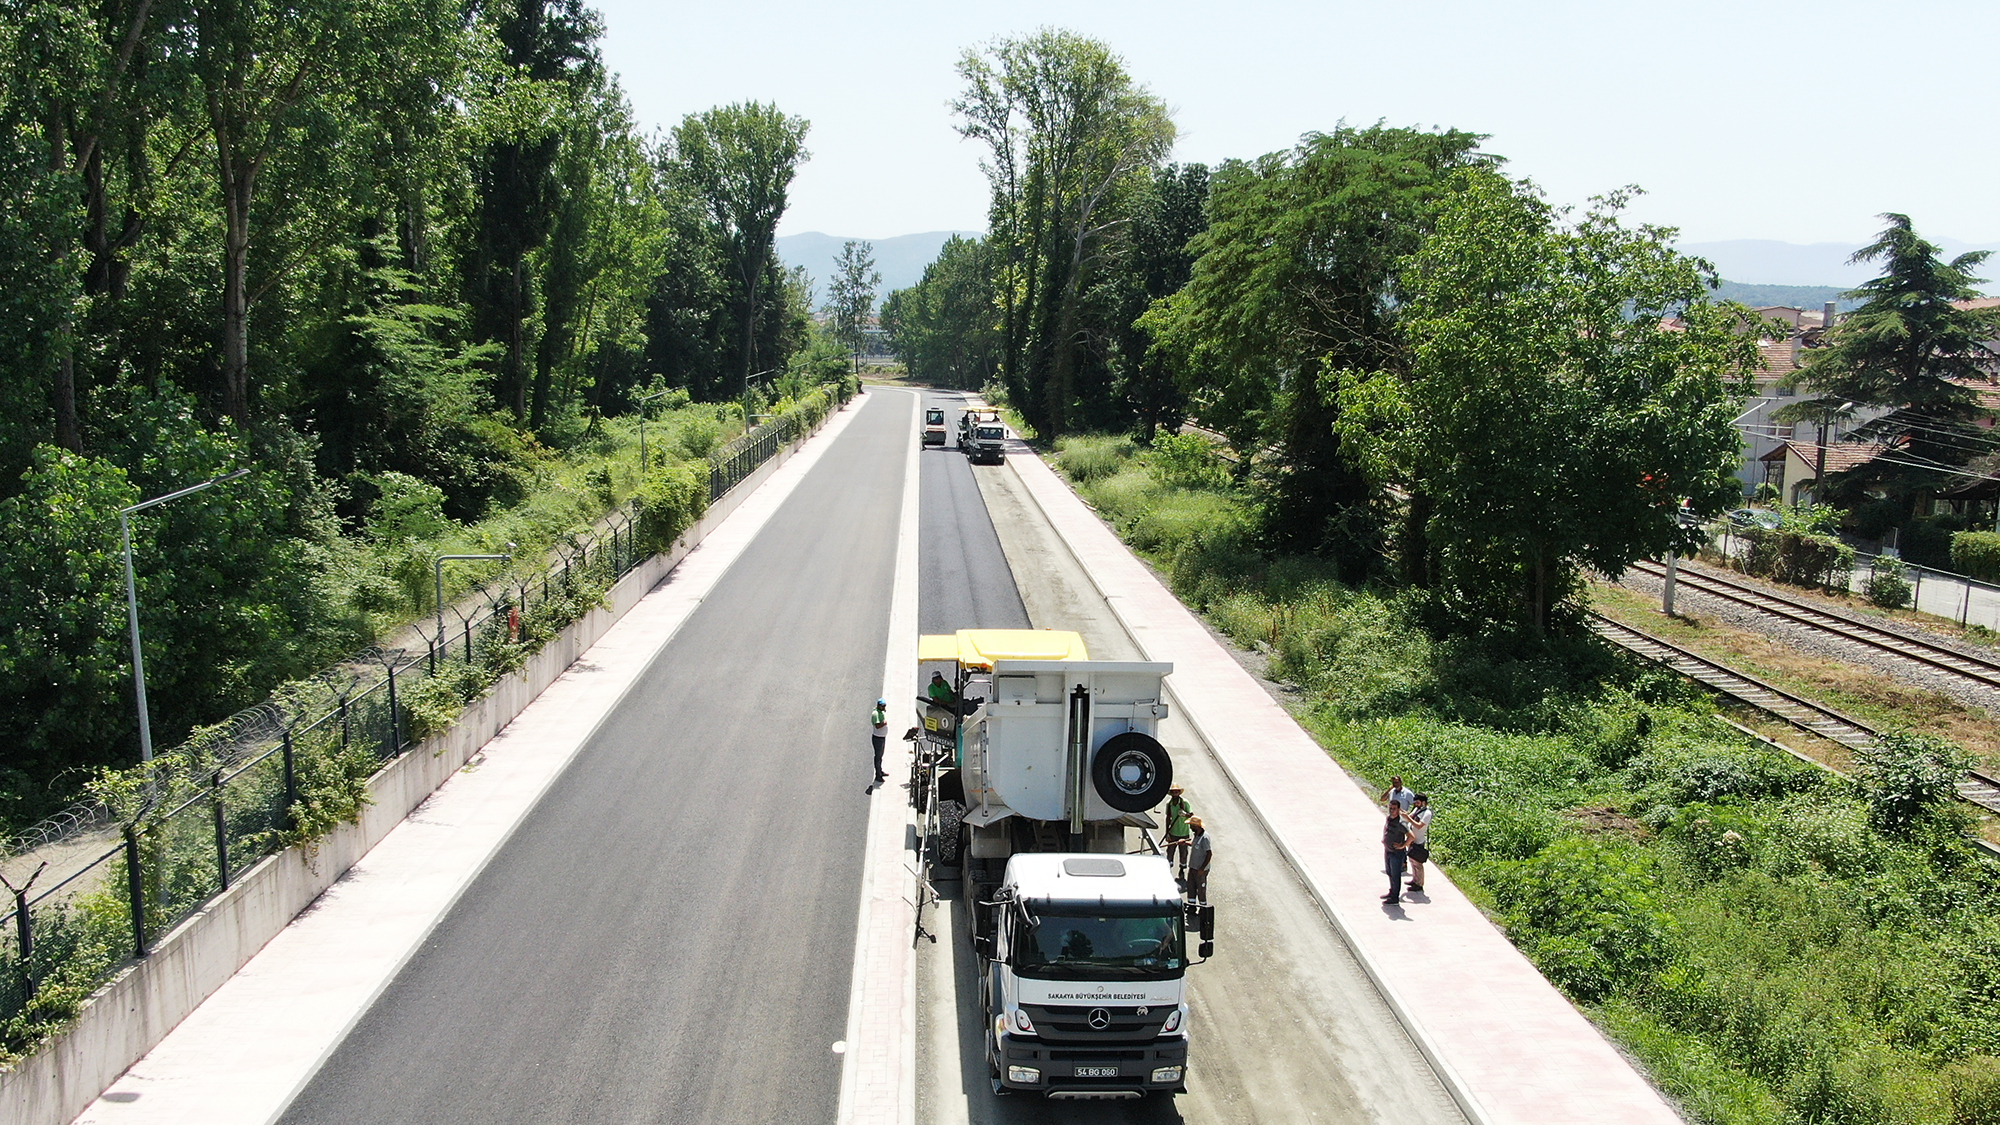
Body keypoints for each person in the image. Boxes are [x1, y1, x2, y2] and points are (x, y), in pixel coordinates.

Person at [1382, 799, 1411, 904]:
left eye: (1394, 809)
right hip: (1388, 851)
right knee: (1389, 872)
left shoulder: (1401, 823)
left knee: (1395, 875)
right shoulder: (1389, 819)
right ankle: (1391, 892)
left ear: (1399, 809)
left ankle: (1395, 898)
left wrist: (1403, 845)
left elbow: (1411, 836)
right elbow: (1386, 829)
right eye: (1390, 808)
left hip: (1396, 853)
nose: (1391, 810)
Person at [1163, 784, 1193, 877]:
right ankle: (1169, 868)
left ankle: (1182, 869)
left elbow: (1191, 814)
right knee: (1170, 851)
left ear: (1179, 793)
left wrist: (1185, 814)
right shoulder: (1169, 804)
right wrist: (1167, 832)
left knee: (1183, 852)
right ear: (1171, 793)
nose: (1175, 793)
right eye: (1173, 792)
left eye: (1177, 792)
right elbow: (1168, 817)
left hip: (1184, 832)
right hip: (1173, 832)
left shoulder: (1184, 802)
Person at [1405, 794, 1433, 894]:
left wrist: (1408, 819)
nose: (1416, 804)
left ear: (1423, 802)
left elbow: (1419, 825)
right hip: (1412, 839)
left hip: (1419, 841)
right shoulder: (1418, 809)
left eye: (1418, 802)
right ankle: (1414, 879)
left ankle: (1419, 883)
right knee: (1412, 861)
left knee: (1417, 863)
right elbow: (1410, 816)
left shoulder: (1427, 813)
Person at [1185, 817, 1212, 906]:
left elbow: (1209, 854)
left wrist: (1202, 869)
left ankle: (1202, 907)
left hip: (1200, 869)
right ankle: (1191, 906)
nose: (1190, 827)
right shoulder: (1196, 834)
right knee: (1191, 886)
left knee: (1201, 889)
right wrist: (1185, 843)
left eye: (1191, 825)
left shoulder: (1205, 838)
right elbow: (1194, 845)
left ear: (1196, 826)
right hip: (1193, 867)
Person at [869, 698, 888, 787]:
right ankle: (878, 775)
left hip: (882, 737)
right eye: (883, 706)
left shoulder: (881, 712)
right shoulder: (875, 714)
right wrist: (884, 723)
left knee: (881, 756)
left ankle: (880, 771)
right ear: (878, 705)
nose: (884, 707)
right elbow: (877, 726)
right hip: (878, 738)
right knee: (878, 756)